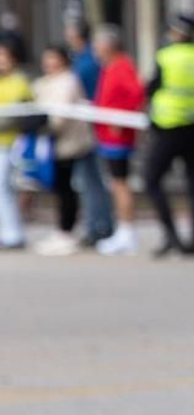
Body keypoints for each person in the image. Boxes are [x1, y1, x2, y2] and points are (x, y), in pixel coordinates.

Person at [144, 12, 194, 257]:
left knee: (152, 179)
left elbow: (152, 87)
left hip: (169, 125)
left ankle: (171, 234)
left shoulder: (167, 56)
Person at [31, 45, 97, 256]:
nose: (49, 62)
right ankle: (62, 230)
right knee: (60, 187)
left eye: (53, 58)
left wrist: (40, 125)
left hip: (68, 143)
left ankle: (68, 232)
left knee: (67, 188)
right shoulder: (45, 82)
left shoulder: (68, 81)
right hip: (52, 144)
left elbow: (59, 117)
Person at [90, 25, 145, 256]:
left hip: (118, 137)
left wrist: (120, 118)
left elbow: (136, 94)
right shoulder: (109, 68)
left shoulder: (122, 66)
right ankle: (122, 229)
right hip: (106, 135)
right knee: (115, 183)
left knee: (120, 183)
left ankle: (127, 230)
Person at [64, 18, 113, 244]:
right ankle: (99, 224)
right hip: (86, 125)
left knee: (91, 179)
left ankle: (99, 226)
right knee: (90, 179)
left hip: (89, 128)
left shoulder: (87, 62)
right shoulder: (81, 59)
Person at [0, 41, 32, 249]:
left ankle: (14, 232)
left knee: (7, 187)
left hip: (13, 142)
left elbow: (20, 113)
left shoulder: (19, 82)